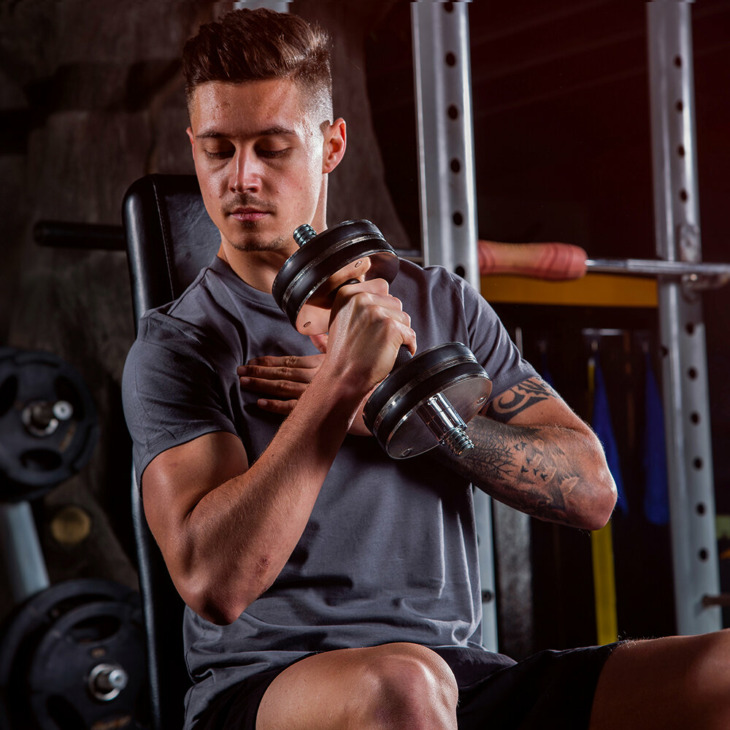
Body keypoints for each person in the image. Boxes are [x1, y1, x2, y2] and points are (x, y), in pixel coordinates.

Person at [122, 8, 730, 730]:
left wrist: (402, 412)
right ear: (193, 147)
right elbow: (214, 583)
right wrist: (341, 385)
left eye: (273, 148)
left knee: (720, 672)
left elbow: (591, 492)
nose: (242, 177)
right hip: (269, 686)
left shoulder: (441, 301)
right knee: (404, 687)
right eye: (218, 150)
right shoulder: (180, 345)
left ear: (331, 145)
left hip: (457, 673)